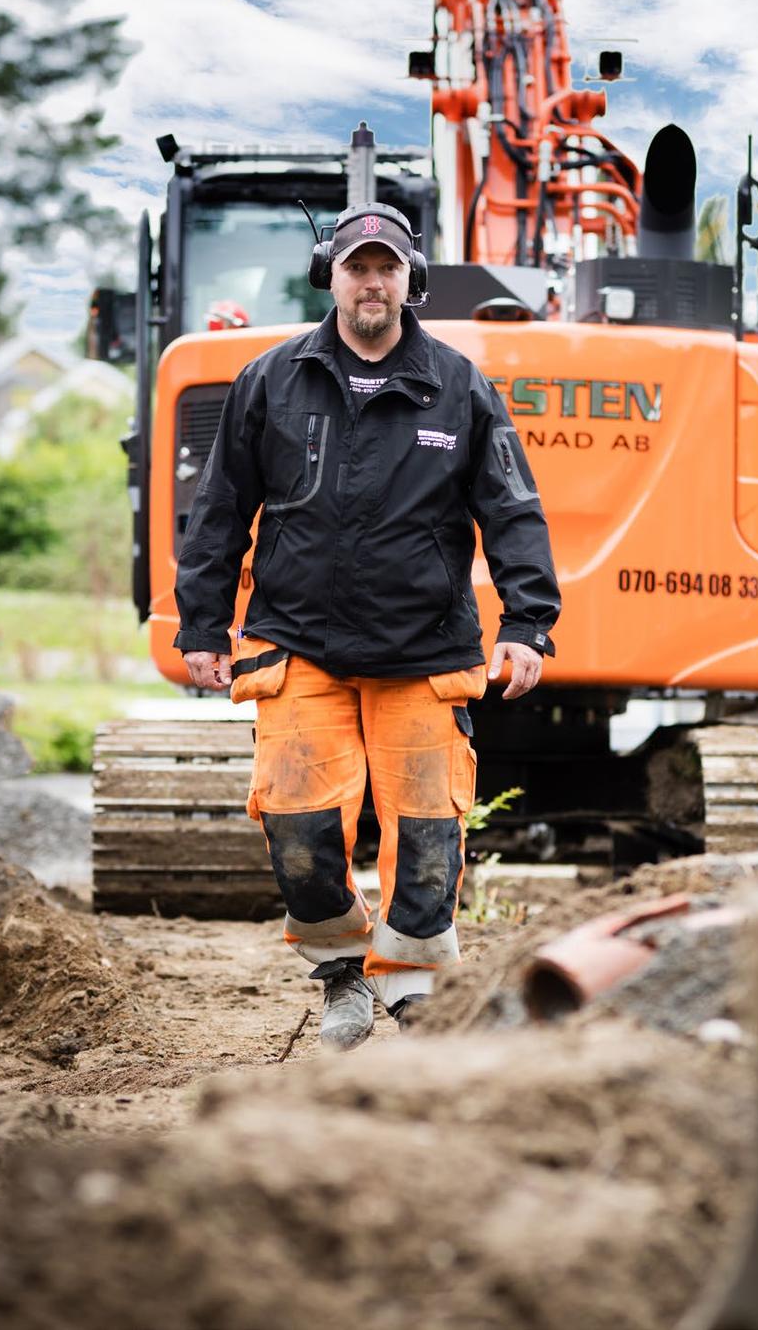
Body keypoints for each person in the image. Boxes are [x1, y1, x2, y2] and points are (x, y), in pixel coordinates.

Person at [173, 202, 560, 1050]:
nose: (373, 281)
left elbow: (514, 511)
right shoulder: (271, 379)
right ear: (332, 275)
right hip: (298, 641)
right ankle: (343, 972)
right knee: (300, 833)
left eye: (388, 267)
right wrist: (202, 624)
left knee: (428, 835)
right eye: (358, 266)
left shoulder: (459, 386)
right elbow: (221, 511)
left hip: (422, 649)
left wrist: (528, 623)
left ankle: (417, 987)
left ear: (409, 277)